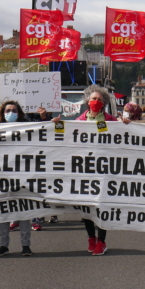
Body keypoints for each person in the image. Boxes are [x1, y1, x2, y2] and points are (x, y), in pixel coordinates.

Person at [53, 85, 116, 255]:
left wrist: (127, 125)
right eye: (93, 98)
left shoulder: (111, 121)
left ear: (104, 103)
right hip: (84, 170)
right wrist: (55, 125)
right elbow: (65, 134)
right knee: (87, 207)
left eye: (99, 100)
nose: (96, 101)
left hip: (104, 170)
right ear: (88, 101)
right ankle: (91, 238)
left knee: (102, 206)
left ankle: (101, 241)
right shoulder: (79, 121)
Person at [0, 100, 35, 257]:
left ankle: (26, 245)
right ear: (3, 113)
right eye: (8, 110)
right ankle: (3, 245)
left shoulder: (26, 129)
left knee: (24, 212)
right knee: (3, 212)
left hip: (22, 176)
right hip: (3, 177)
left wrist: (47, 118)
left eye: (14, 110)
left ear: (19, 113)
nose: (11, 113)